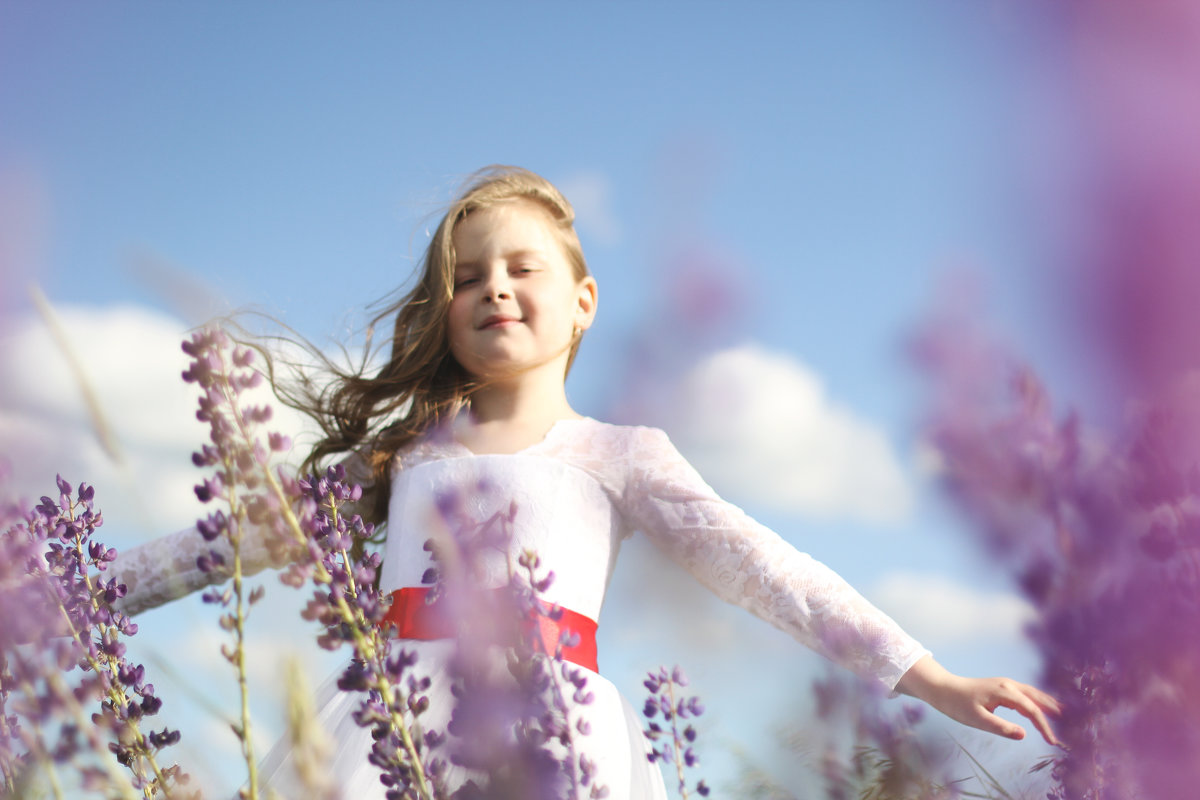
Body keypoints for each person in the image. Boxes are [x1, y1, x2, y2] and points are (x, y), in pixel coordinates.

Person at [111, 166, 1060, 798]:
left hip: (552, 737)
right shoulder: (403, 456)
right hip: (385, 732)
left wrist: (930, 677)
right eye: (466, 276)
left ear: (583, 302)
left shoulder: (622, 455)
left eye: (522, 267)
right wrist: (60, 592)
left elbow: (771, 571)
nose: (493, 288)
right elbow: (229, 543)